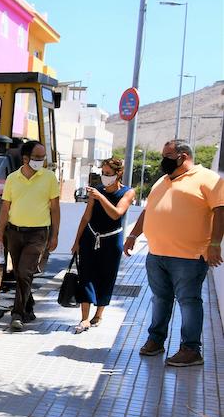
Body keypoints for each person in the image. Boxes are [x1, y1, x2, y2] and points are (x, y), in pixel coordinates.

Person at [125, 140, 224, 367]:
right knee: (160, 299)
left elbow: (220, 211)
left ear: (183, 156)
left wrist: (216, 243)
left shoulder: (209, 179)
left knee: (189, 301)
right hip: (156, 254)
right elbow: (149, 211)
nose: (163, 160)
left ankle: (191, 350)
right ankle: (156, 340)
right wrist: (132, 236)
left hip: (189, 257)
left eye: (167, 155)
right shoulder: (162, 181)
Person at [0, 140, 61, 331]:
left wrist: (55, 235)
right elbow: (5, 207)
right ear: (25, 158)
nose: (41, 161)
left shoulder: (49, 178)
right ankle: (28, 306)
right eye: (37, 158)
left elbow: (55, 209)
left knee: (24, 272)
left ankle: (17, 314)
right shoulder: (12, 179)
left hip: (38, 234)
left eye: (43, 157)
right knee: (20, 274)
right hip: (14, 232)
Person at [71, 158, 135, 333]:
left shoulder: (128, 193)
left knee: (106, 277)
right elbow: (86, 216)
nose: (104, 177)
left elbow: (116, 214)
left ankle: (98, 315)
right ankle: (84, 318)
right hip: (90, 237)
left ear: (118, 174)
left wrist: (101, 197)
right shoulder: (97, 191)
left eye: (108, 174)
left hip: (111, 240)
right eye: (103, 173)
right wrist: (77, 240)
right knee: (85, 276)